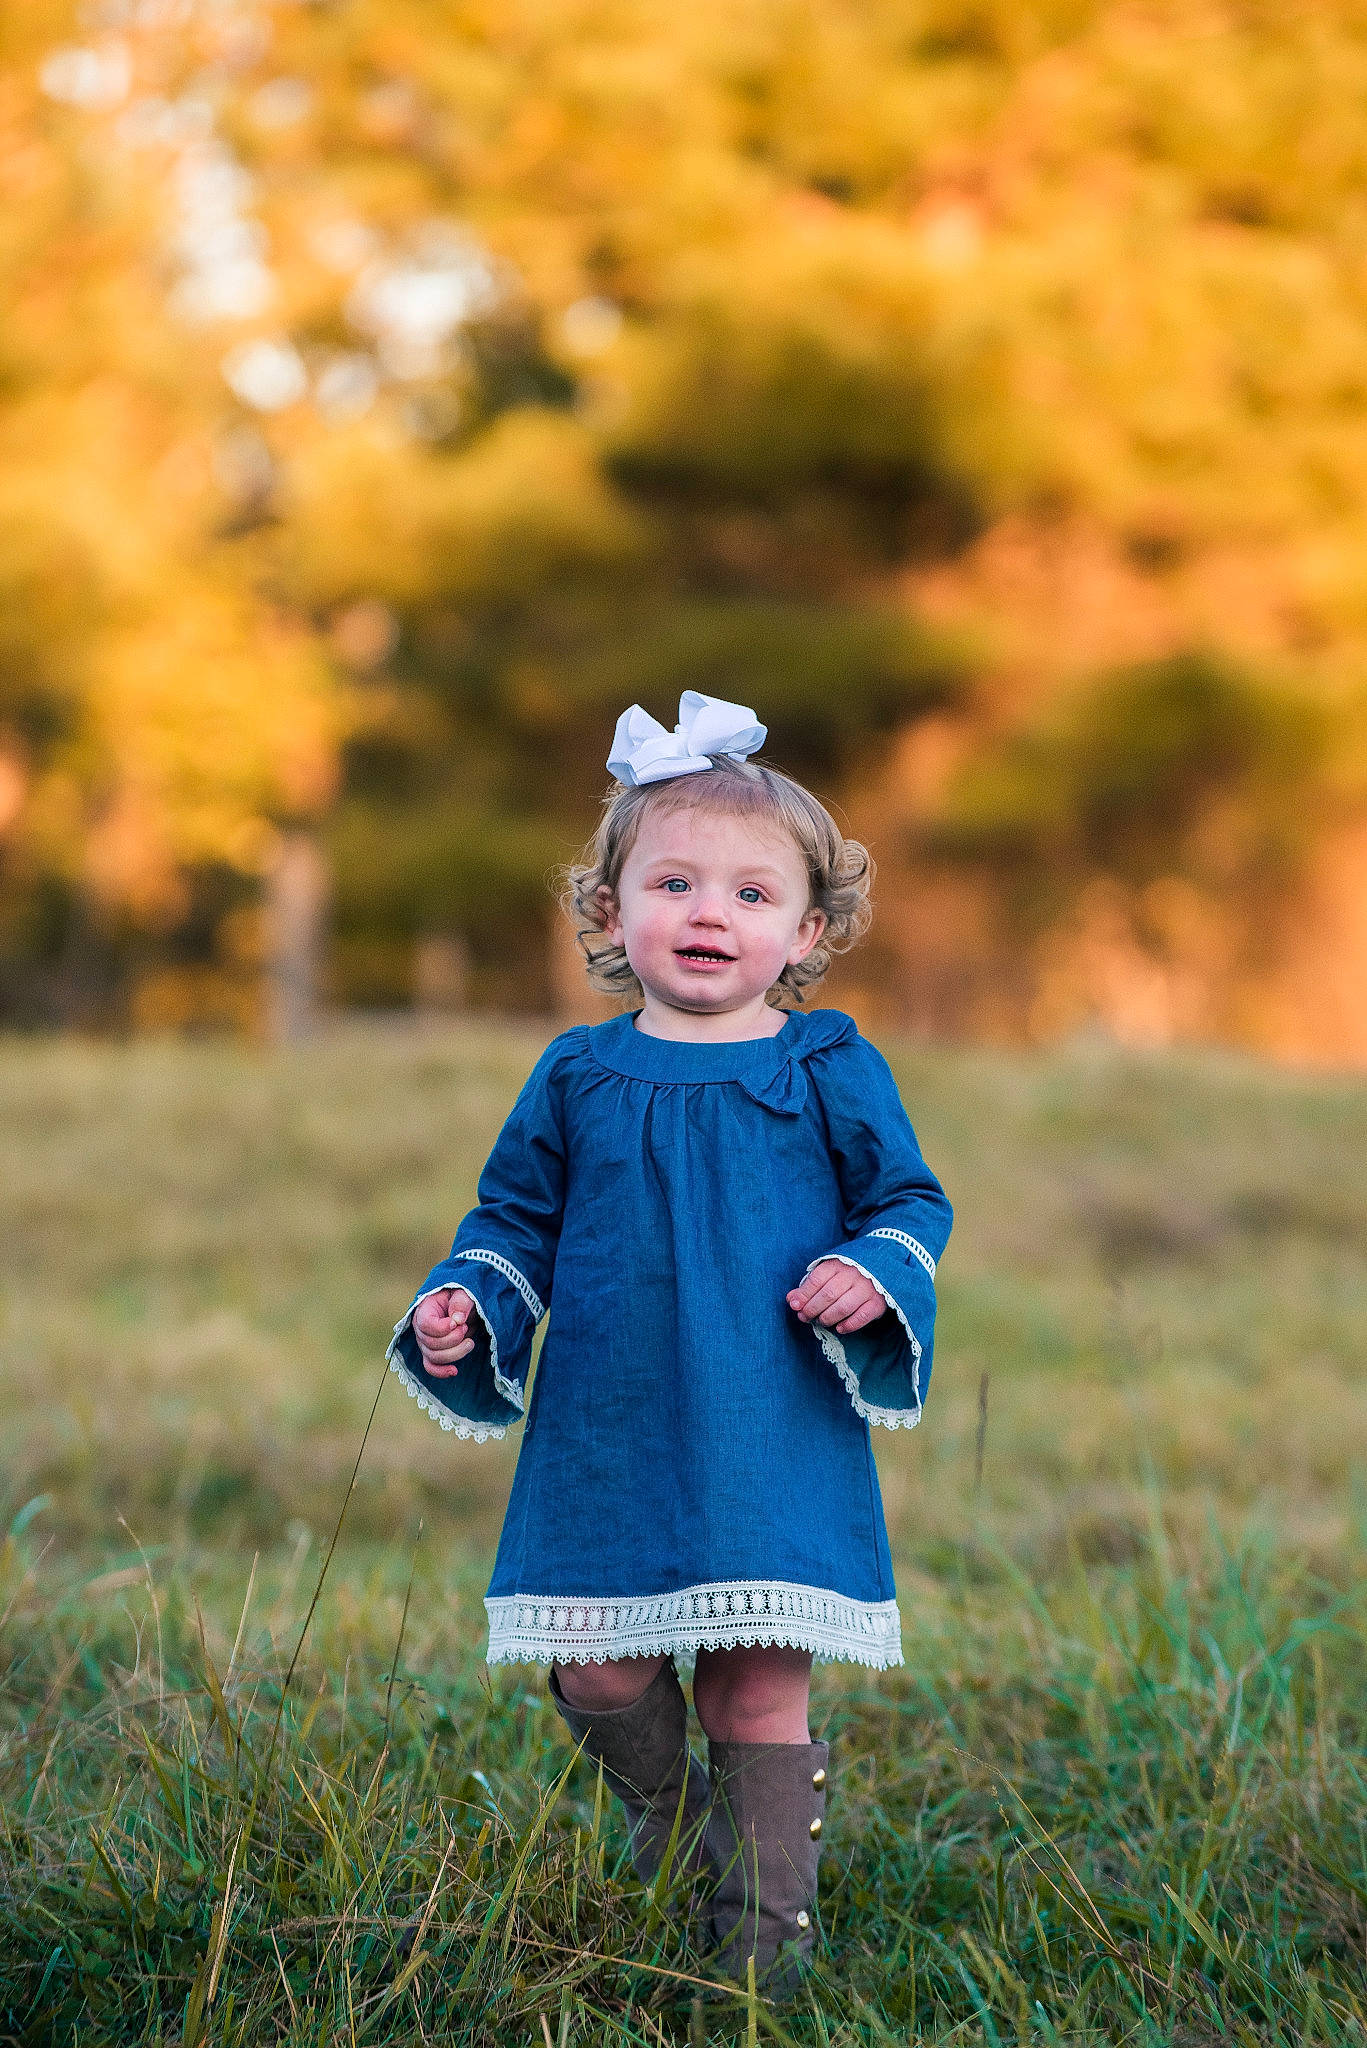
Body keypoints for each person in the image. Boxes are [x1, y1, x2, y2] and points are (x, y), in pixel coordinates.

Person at [388, 691, 952, 1995]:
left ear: (808, 931)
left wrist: (874, 1271)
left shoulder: (825, 1063)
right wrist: (468, 1296)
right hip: (614, 1424)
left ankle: (759, 1959)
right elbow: (511, 1220)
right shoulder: (578, 1076)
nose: (711, 913)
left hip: (769, 1426)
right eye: (676, 882)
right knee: (594, 1662)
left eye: (754, 895)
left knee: (754, 1692)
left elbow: (909, 1201)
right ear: (608, 910)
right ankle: (670, 1823)